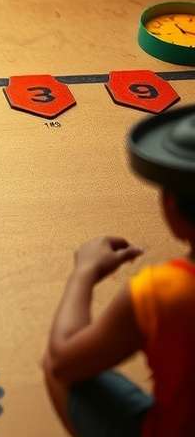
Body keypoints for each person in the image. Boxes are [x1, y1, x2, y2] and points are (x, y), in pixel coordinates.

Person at [43, 105, 195, 436]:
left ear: (171, 207)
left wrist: (84, 272)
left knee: (58, 370)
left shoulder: (166, 291)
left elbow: (63, 360)